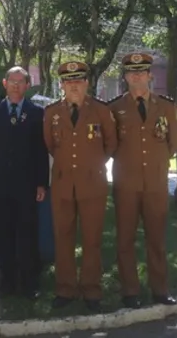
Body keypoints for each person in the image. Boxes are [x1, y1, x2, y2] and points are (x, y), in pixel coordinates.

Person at [107, 53, 177, 308]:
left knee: (156, 238)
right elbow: (109, 145)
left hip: (155, 184)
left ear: (150, 75)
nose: (137, 76)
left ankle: (160, 290)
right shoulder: (114, 108)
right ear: (126, 77)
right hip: (125, 184)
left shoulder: (168, 107)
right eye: (131, 72)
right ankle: (130, 291)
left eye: (142, 71)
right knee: (125, 239)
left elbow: (173, 144)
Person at [42, 61, 117, 311]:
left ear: (87, 83)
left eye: (78, 80)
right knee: (63, 238)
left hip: (92, 184)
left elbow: (110, 144)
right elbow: (50, 145)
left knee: (92, 239)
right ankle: (65, 289)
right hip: (63, 184)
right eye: (68, 81)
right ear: (62, 85)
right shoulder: (51, 113)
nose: (73, 85)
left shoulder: (101, 111)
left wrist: (92, 165)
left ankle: (92, 290)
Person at [0, 66, 49, 300]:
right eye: (12, 80)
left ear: (28, 86)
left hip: (27, 185)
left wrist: (41, 183)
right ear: (4, 83)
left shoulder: (37, 113)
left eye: (21, 81)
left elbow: (41, 150)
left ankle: (30, 284)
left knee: (27, 235)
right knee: (3, 235)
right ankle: (7, 281)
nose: (16, 85)